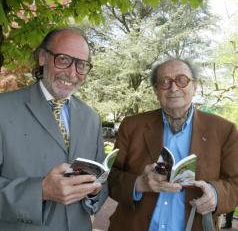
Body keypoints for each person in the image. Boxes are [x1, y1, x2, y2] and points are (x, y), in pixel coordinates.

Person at [108, 59, 238, 231]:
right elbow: (109, 177)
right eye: (164, 82)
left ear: (195, 86)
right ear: (156, 90)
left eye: (182, 80)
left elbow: (235, 183)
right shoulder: (132, 126)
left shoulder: (224, 130)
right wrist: (139, 184)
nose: (174, 87)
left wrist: (215, 194)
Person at [0, 27, 108, 231]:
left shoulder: (91, 118)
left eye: (81, 65)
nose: (72, 72)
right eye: (64, 59)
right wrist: (40, 191)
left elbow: (102, 183)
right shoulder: (2, 109)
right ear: (42, 57)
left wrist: (94, 193)